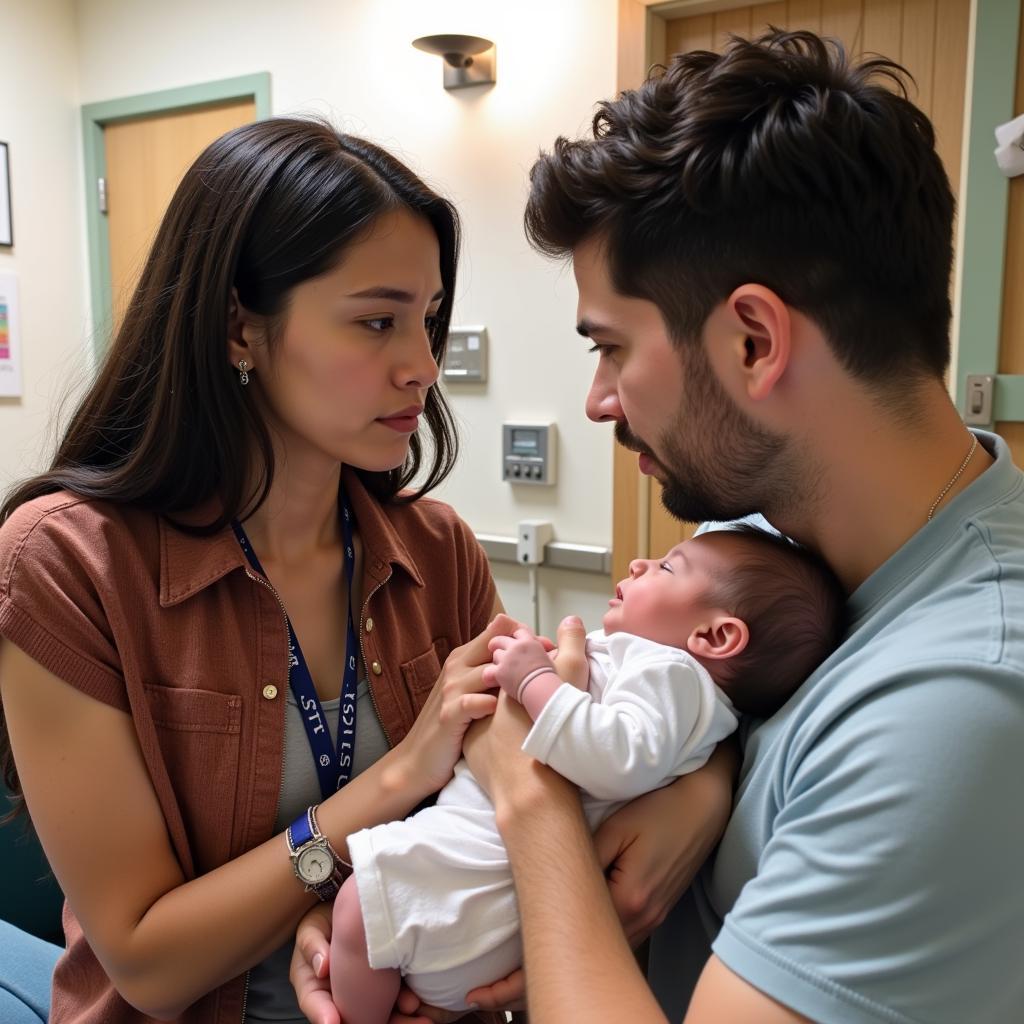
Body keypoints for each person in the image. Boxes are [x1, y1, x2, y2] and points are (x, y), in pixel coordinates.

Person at [0, 117, 729, 1024]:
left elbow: (529, 788)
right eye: (377, 322)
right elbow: (147, 963)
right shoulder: (66, 565)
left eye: (426, 322)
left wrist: (705, 786)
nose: (423, 367)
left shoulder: (437, 551)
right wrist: (394, 779)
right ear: (239, 326)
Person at [453, 29, 1024, 1024]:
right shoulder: (796, 540)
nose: (597, 399)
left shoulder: (964, 699)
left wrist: (529, 794)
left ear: (753, 341)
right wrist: (707, 782)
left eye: (612, 348)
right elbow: (782, 725)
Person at [328, 527, 844, 1023]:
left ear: (715, 635)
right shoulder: (672, 688)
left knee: (355, 910)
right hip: (489, 877)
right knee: (358, 919)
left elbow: (618, 757)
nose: (641, 563)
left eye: (667, 567)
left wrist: (535, 679)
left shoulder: (674, 673)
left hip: (485, 869)